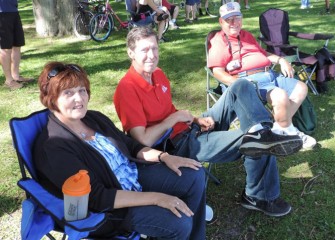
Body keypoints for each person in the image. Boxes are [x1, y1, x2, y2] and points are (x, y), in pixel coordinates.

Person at [114, 26, 303, 217]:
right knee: (255, 140)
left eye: (154, 48)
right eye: (144, 50)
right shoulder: (127, 89)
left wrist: (196, 119)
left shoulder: (158, 74)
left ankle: (260, 131)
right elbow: (142, 140)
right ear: (131, 53)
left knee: (240, 85)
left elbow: (167, 111)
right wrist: (175, 118)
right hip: (178, 146)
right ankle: (259, 195)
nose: (152, 55)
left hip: (192, 128)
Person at [33, 61, 206, 239]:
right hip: (112, 210)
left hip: (132, 177)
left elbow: (130, 145)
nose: (79, 99)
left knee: (194, 174)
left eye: (82, 90)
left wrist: (164, 157)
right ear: (52, 98)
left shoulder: (93, 118)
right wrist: (157, 198)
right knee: (178, 221)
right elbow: (98, 198)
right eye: (68, 93)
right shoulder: (54, 145)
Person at [207, 2, 316, 149]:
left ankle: (278, 128)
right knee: (280, 95)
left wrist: (281, 60)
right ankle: (291, 133)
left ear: (242, 18)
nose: (234, 22)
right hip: (248, 80)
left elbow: (263, 54)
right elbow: (217, 72)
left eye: (237, 18)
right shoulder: (218, 41)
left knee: (301, 87)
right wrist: (242, 86)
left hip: (269, 74)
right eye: (229, 19)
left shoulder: (246, 35)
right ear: (221, 21)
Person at [0, 0, 33, 90]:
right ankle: (9, 80)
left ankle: (16, 76)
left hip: (13, 11)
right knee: (5, 48)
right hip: (2, 13)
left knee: (17, 45)